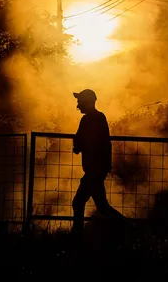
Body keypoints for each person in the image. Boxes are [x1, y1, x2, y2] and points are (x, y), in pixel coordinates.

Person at [71, 89, 113, 234]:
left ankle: (77, 234)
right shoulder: (95, 118)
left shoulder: (93, 119)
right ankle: (127, 229)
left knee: (78, 202)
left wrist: (78, 145)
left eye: (80, 102)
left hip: (94, 170)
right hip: (96, 169)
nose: (78, 105)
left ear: (87, 102)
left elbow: (86, 141)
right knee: (102, 206)